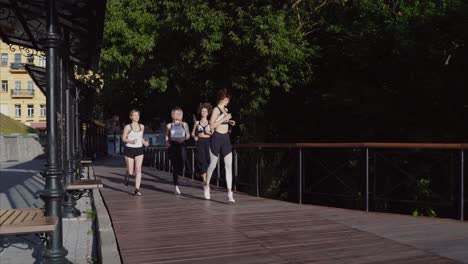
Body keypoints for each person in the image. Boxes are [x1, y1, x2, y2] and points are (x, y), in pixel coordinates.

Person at [205, 89, 236, 202]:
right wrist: (224, 118)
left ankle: (229, 192)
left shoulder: (226, 109)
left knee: (229, 165)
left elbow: (224, 121)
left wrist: (230, 122)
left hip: (226, 138)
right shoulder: (216, 110)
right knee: (213, 164)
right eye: (227, 99)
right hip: (216, 138)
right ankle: (207, 185)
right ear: (223, 99)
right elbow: (212, 125)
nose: (228, 101)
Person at [122, 109, 149, 196]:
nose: (136, 117)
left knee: (138, 169)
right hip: (129, 149)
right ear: (131, 117)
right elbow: (123, 139)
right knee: (131, 172)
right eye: (134, 115)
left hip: (139, 150)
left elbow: (140, 137)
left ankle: (137, 189)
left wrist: (145, 143)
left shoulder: (142, 126)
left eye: (138, 115)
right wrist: (131, 141)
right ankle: (127, 174)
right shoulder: (128, 127)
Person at [166, 107, 190, 195]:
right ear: (172, 115)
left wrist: (183, 138)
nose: (178, 115)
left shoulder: (184, 124)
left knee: (183, 161)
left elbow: (188, 135)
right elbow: (167, 136)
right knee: (175, 167)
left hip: (182, 144)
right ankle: (176, 186)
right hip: (173, 145)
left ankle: (180, 171)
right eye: (176, 113)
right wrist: (167, 142)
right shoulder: (169, 125)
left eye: (180, 114)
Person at [191, 103, 212, 185]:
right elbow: (192, 133)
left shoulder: (210, 122)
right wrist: (195, 137)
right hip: (200, 141)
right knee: (201, 159)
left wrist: (208, 133)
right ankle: (205, 181)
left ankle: (206, 179)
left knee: (208, 160)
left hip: (208, 141)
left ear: (208, 113)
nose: (204, 112)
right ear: (200, 112)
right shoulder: (197, 122)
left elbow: (213, 133)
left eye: (205, 111)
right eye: (202, 111)